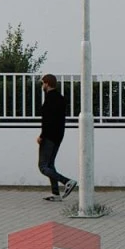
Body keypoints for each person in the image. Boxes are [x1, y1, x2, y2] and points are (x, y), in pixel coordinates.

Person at [38, 74, 77, 202]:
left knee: (43, 166)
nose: (42, 86)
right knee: (50, 165)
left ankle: (67, 182)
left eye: (43, 83)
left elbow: (48, 120)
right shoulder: (60, 98)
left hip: (49, 136)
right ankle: (56, 194)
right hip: (58, 135)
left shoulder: (50, 99)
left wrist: (42, 136)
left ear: (47, 84)